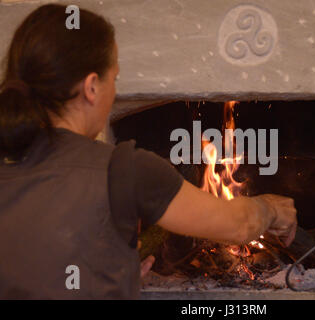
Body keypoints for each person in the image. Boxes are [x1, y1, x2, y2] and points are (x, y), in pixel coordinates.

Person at [0, 4, 297, 299]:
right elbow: (238, 225)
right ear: (91, 88)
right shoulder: (123, 169)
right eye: (113, 80)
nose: (114, 92)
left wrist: (110, 278)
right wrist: (271, 207)